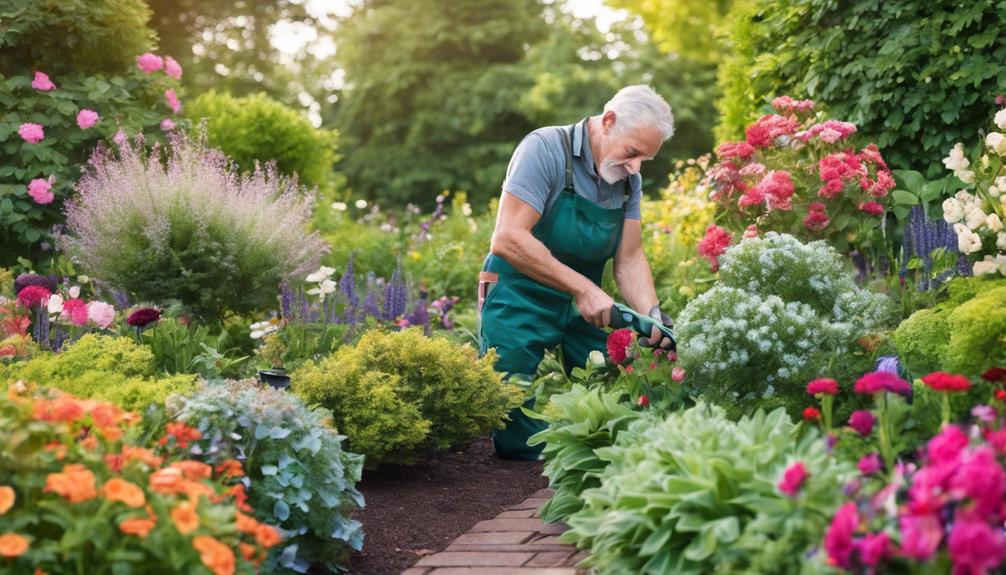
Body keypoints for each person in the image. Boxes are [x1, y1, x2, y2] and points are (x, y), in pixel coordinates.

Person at [478, 85, 676, 460]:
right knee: (512, 421)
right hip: (519, 295)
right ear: (609, 121)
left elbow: (630, 258)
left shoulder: (626, 178)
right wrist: (583, 288)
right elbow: (507, 238)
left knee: (622, 406)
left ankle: (590, 453)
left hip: (584, 305)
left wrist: (652, 316)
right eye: (633, 153)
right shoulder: (544, 149)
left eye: (644, 159)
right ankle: (563, 467)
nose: (636, 168)